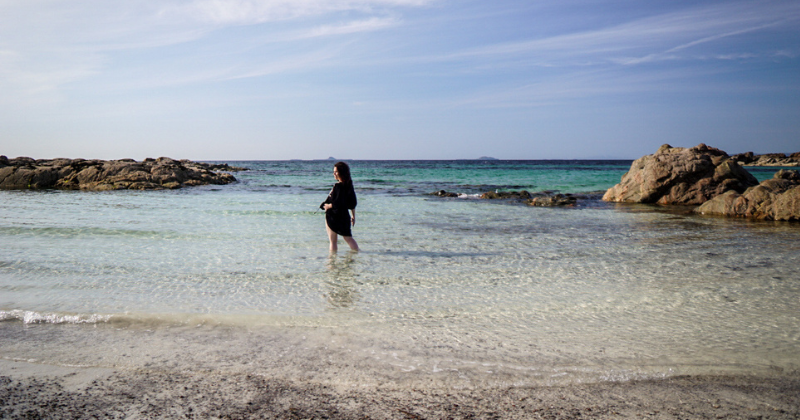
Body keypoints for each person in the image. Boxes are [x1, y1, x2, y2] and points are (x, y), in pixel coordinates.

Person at [320, 162, 359, 252]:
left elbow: (338, 202)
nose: (334, 174)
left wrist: (328, 206)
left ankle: (332, 262)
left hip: (333, 215)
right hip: (344, 215)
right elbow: (352, 202)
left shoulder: (338, 186)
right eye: (334, 172)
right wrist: (353, 216)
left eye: (336, 172)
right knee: (348, 238)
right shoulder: (349, 185)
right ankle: (357, 254)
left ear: (342, 172)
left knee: (333, 241)